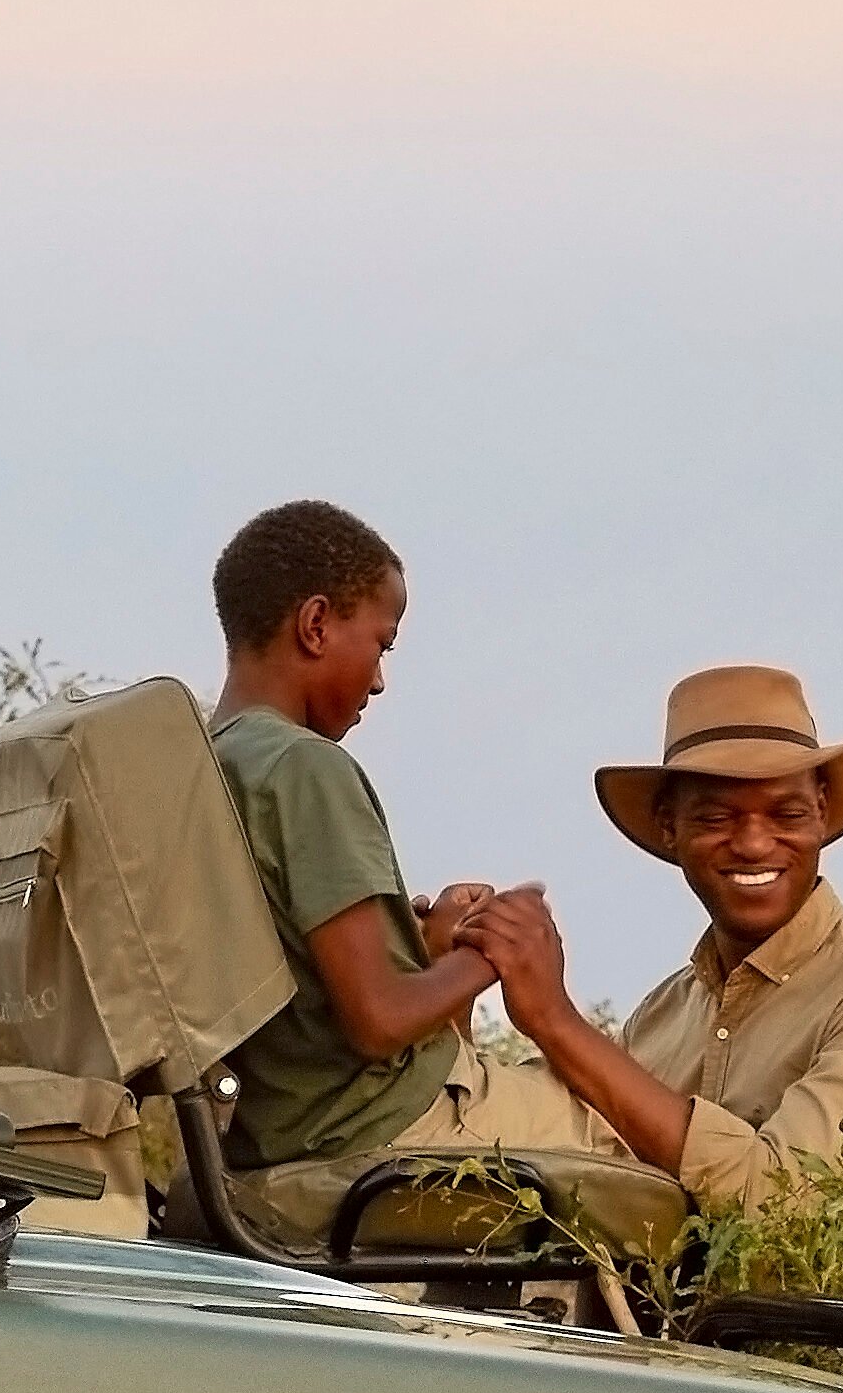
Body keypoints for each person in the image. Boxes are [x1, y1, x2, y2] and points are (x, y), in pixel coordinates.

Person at [461, 666, 843, 1204]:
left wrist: (553, 1019)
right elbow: (540, 1150)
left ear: (820, 813)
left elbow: (775, 1203)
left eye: (787, 813)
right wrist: (448, 974)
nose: (754, 844)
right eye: (716, 818)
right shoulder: (663, 1015)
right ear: (669, 826)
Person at [199, 501, 593, 1171]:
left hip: (271, 1132)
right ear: (317, 624)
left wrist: (430, 953)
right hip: (378, 1122)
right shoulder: (304, 769)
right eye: (381, 643)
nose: (380, 679)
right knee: (624, 1124)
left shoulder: (206, 767)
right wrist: (493, 950)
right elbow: (378, 1019)